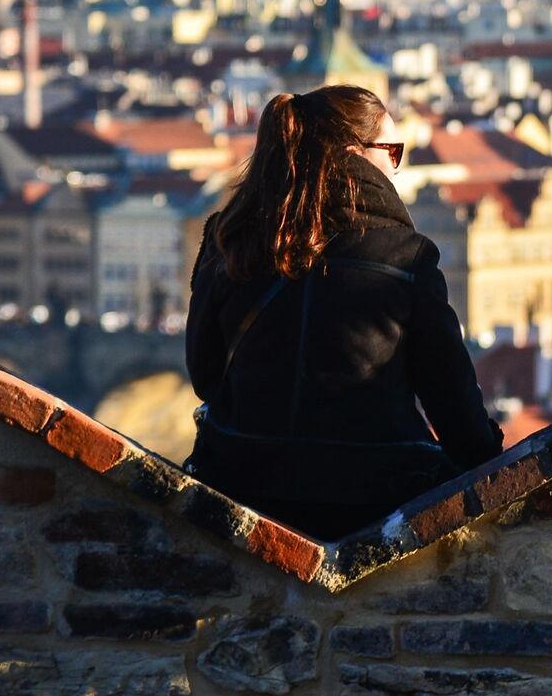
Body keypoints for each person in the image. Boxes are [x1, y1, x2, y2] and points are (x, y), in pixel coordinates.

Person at [185, 86, 502, 540]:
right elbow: (454, 408)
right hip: (375, 498)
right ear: (354, 152)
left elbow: (206, 376)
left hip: (242, 485)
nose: (397, 165)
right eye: (392, 150)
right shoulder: (406, 257)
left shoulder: (231, 238)